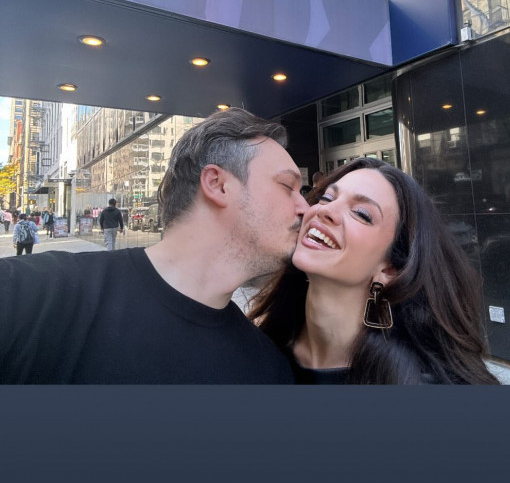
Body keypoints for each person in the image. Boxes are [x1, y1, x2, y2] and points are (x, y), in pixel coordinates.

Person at [0, 108, 308, 383]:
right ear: (217, 184)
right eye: (287, 186)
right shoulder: (32, 296)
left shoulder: (268, 369)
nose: (305, 207)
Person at [249, 158, 499, 384]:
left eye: (361, 213)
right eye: (327, 198)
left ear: (389, 270)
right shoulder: (253, 353)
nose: (325, 210)